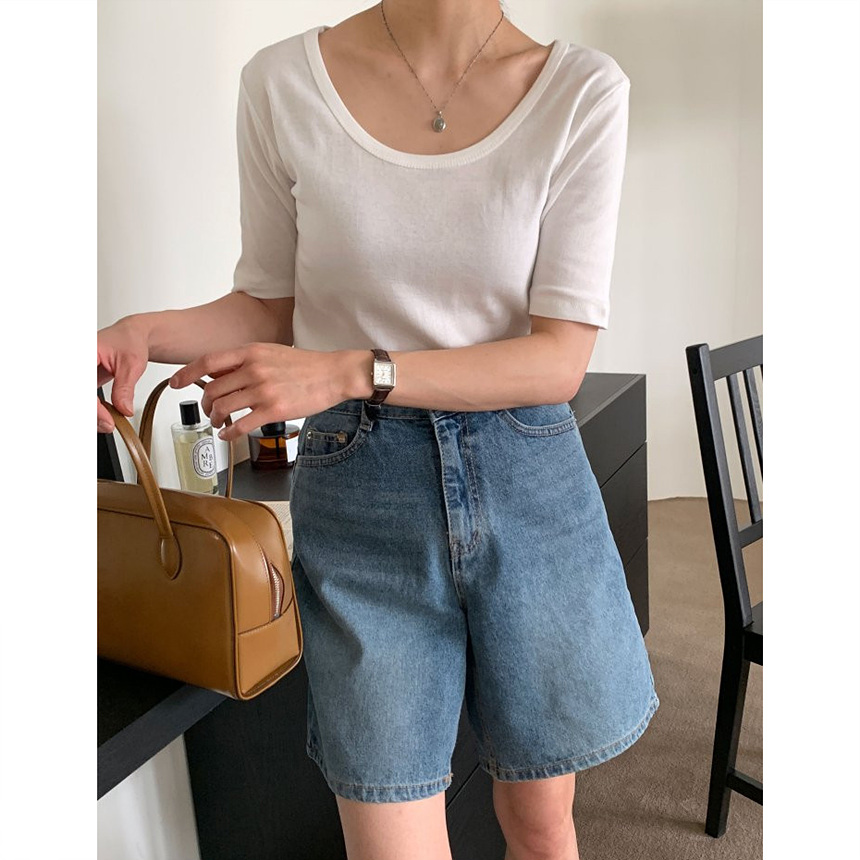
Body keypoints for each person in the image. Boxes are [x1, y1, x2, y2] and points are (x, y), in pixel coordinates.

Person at [97, 2, 660, 858]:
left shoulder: (581, 91)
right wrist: (141, 331)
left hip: (530, 483)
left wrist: (351, 370)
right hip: (362, 499)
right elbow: (268, 305)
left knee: (540, 823)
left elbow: (559, 359)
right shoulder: (283, 83)